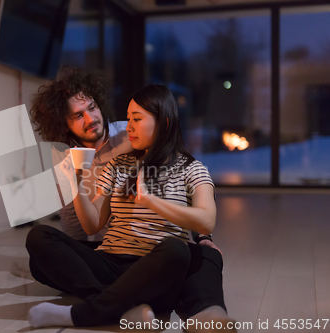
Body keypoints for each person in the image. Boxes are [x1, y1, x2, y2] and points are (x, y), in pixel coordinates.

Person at [26, 69, 235, 332]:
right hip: (110, 257)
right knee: (39, 240)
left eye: (136, 119)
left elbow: (206, 219)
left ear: (165, 122)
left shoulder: (188, 167)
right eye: (78, 115)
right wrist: (74, 183)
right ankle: (123, 306)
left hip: (156, 263)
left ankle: (88, 312)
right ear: (64, 123)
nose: (130, 126)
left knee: (191, 252)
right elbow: (87, 228)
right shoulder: (112, 163)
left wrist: (156, 205)